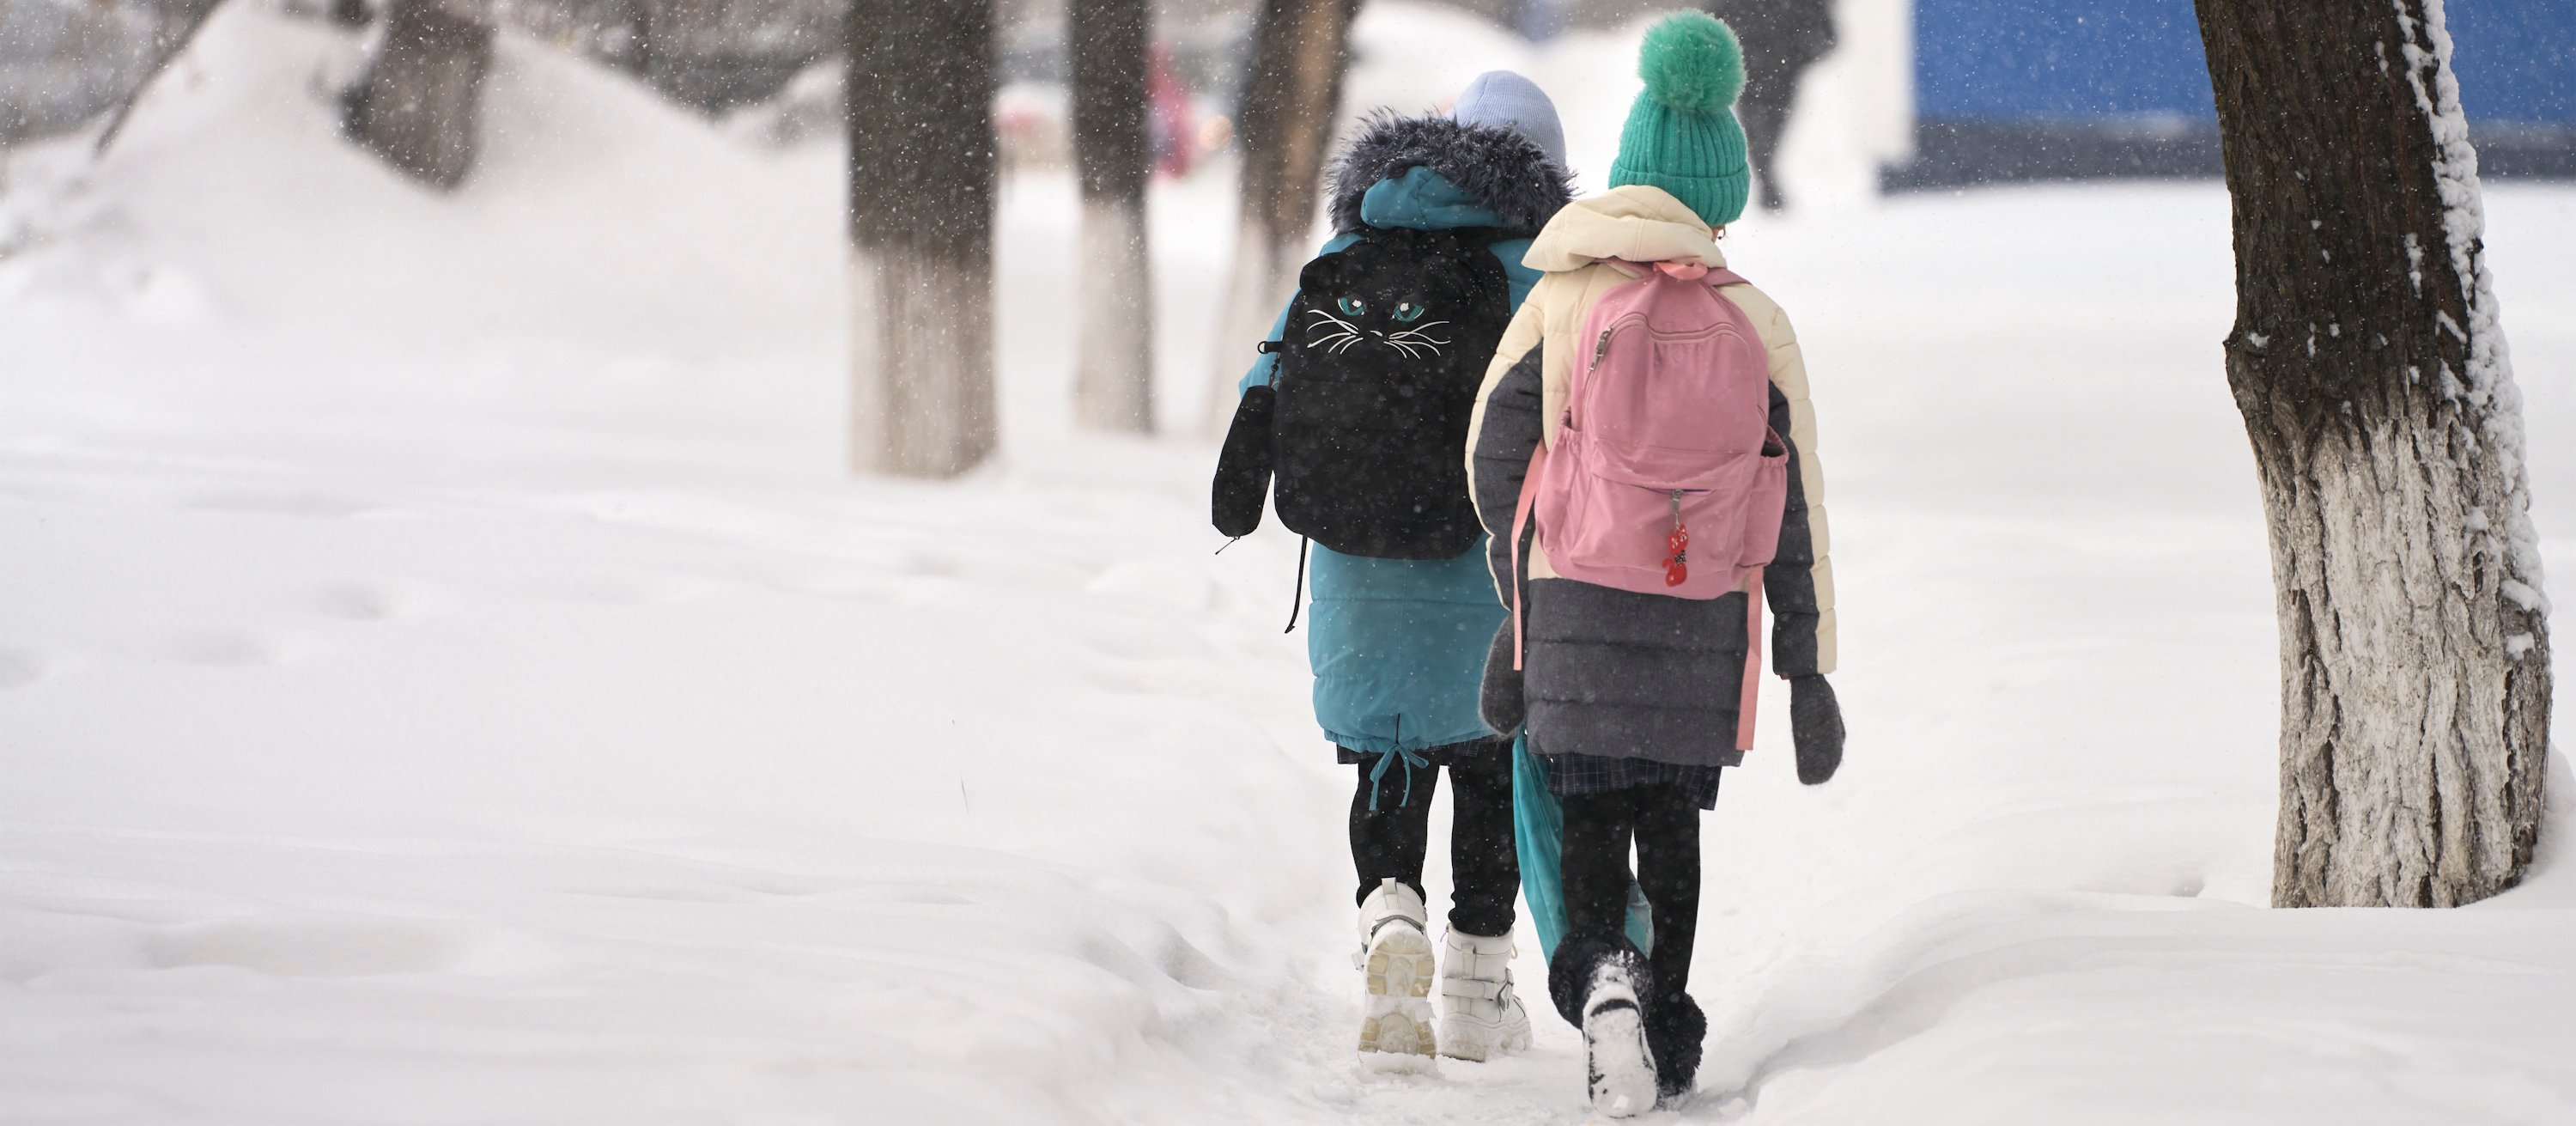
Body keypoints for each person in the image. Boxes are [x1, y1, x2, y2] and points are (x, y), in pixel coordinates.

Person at [1465, 13, 1845, 1114]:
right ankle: (1667, 1025)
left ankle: (1601, 986)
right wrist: (1806, 664)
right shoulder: (1753, 320)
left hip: (1575, 604)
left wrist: (1523, 580)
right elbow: (1798, 507)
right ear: (1721, 191)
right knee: (1669, 829)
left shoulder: (1561, 298)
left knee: (1588, 825)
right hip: (1703, 620)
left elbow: (1491, 451)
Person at [1227, 72, 1573, 1068]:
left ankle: (1390, 922)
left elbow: (1269, 381)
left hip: (1357, 561)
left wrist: (1237, 491)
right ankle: (1472, 989)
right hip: (1487, 566)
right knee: (1488, 762)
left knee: (1388, 753)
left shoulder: (1348, 251)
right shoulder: (1539, 277)